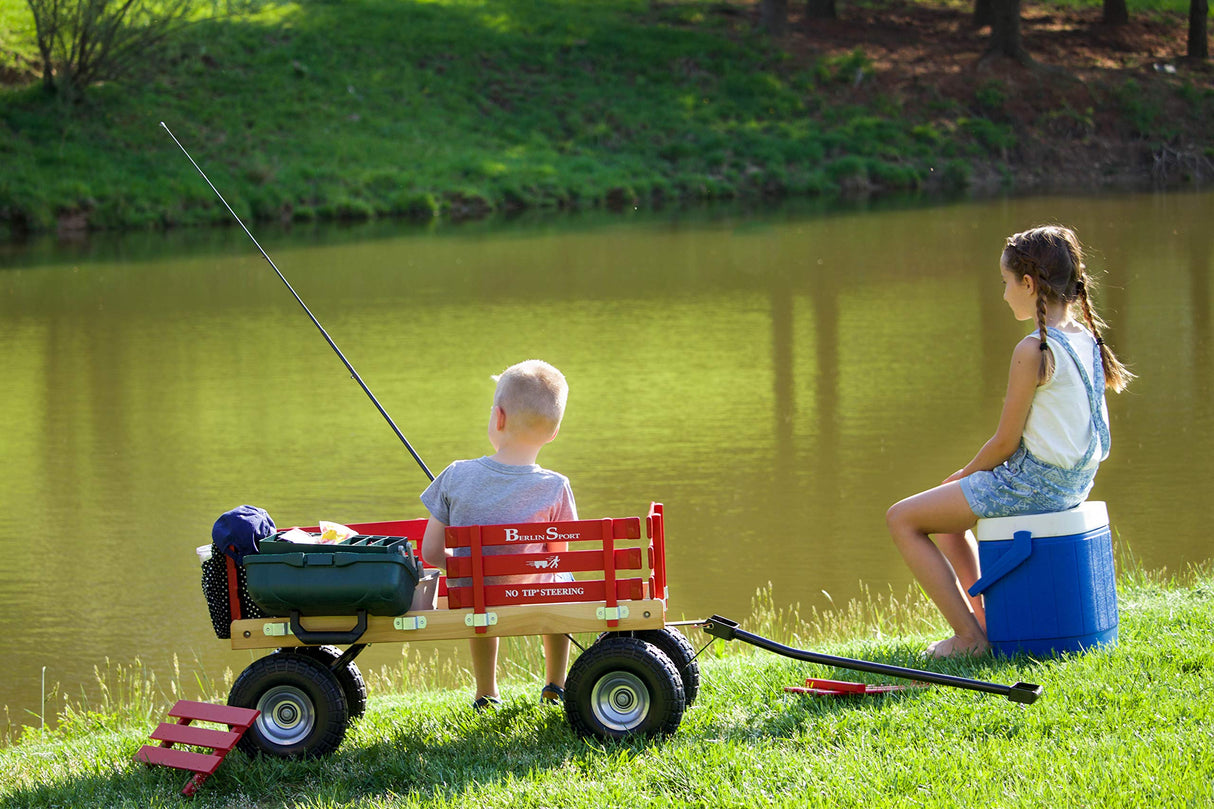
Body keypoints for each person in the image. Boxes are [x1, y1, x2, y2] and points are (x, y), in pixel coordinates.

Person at [886, 225, 1133, 658]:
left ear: (1028, 283)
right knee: (948, 523)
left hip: (1033, 484)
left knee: (902, 519)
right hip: (1073, 484)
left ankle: (969, 640)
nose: (1003, 296)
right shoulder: (1086, 338)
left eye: (1005, 284)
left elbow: (1004, 442)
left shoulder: (1035, 350)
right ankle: (988, 624)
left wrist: (962, 475)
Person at [420, 359, 576, 710]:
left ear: (498, 418)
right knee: (562, 577)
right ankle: (555, 683)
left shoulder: (456, 474)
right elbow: (560, 554)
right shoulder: (556, 486)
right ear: (553, 433)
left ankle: (486, 692)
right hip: (533, 594)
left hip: (475, 596)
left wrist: (471, 565)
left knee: (478, 593)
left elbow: (430, 553)